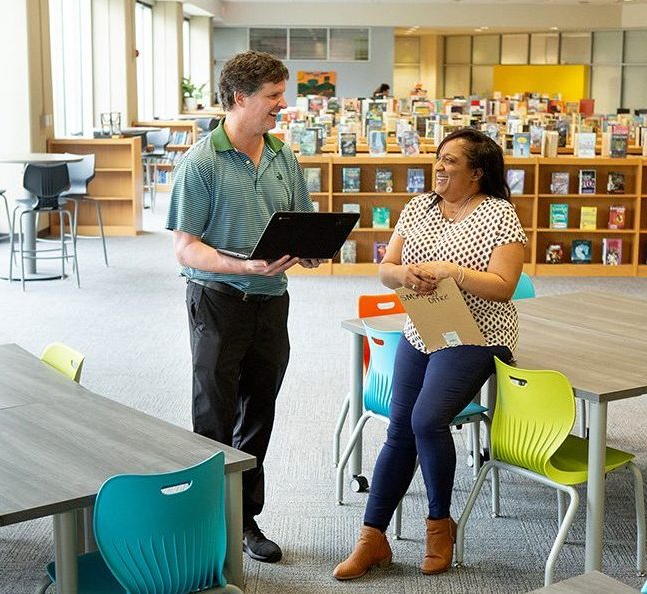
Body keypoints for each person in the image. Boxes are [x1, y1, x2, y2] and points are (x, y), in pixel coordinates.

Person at [333, 128, 527, 580]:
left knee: (426, 420)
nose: (439, 167)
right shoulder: (419, 207)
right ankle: (372, 537)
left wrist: (453, 272)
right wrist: (404, 275)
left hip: (480, 332)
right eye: (438, 158)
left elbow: (504, 288)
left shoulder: (501, 215)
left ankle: (440, 526)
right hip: (425, 326)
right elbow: (385, 270)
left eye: (452, 161)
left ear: (477, 172)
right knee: (400, 427)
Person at [166, 50, 320, 564]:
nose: (284, 105)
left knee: (259, 411)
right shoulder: (201, 162)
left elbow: (300, 221)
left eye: (282, 94)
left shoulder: (282, 156)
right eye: (273, 96)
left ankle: (246, 516)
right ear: (239, 98)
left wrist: (310, 249)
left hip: (271, 303)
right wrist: (242, 265)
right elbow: (186, 247)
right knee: (214, 413)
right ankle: (206, 523)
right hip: (217, 302)